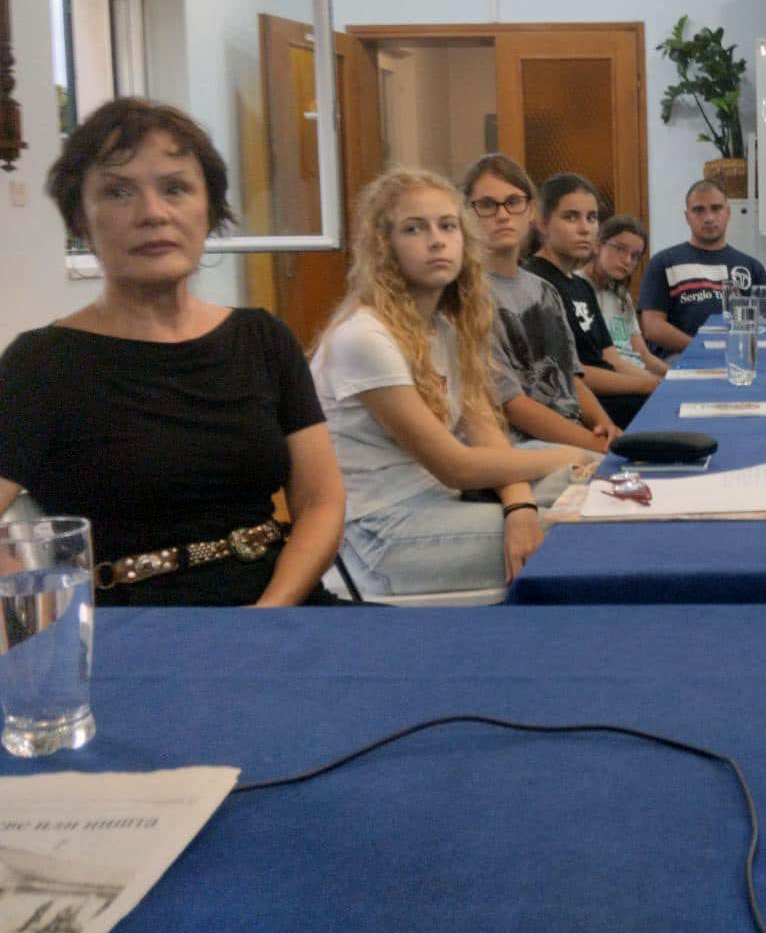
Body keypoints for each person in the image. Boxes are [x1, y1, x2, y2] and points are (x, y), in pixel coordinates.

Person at [0, 97, 344, 606]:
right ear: (80, 222)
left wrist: (269, 613)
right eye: (118, 192)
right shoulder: (41, 364)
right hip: (139, 627)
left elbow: (320, 502)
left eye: (175, 188)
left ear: (209, 210)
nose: (153, 213)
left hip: (285, 608)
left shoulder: (263, 338)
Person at [311, 168, 593, 598]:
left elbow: (486, 433)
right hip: (380, 535)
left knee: (598, 484)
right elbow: (455, 466)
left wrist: (519, 505)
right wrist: (574, 453)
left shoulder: (445, 327)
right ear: (385, 246)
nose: (436, 240)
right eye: (414, 229)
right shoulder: (364, 337)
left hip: (443, 499)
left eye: (447, 226)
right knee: (586, 528)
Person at [462, 154, 620, 454]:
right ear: (467, 213)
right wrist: (595, 445)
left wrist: (606, 426)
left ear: (530, 211)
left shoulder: (545, 290)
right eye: (487, 205)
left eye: (513, 202)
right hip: (520, 447)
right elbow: (512, 405)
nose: (503, 215)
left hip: (573, 435)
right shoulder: (469, 297)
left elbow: (570, 379)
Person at [525, 173, 659, 428]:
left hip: (611, 394)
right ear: (543, 222)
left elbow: (612, 360)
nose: (585, 229)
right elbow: (569, 375)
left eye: (592, 218)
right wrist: (645, 385)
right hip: (577, 405)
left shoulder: (581, 287)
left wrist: (655, 383)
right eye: (571, 217)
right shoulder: (535, 282)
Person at [639, 178, 766, 353]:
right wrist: (701, 349)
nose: (709, 218)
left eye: (716, 208)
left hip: (740, 357)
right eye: (698, 210)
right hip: (682, 358)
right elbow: (652, 327)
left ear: (728, 213)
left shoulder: (751, 267)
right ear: (687, 217)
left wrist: (734, 351)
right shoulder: (663, 262)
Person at [585, 215, 670, 377]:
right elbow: (603, 363)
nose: (627, 260)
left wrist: (678, 376)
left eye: (635, 256)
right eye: (620, 249)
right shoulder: (576, 288)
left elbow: (643, 355)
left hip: (639, 375)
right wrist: (656, 382)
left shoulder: (621, 294)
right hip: (616, 379)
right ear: (597, 245)